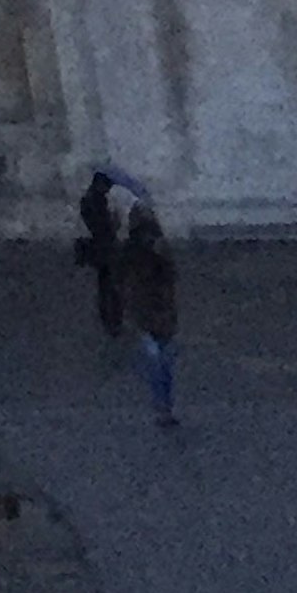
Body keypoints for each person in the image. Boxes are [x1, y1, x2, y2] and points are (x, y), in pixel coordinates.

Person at [120, 204, 180, 425]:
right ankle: (164, 407)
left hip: (150, 314)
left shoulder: (136, 250)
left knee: (159, 363)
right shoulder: (144, 250)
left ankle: (163, 406)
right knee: (161, 364)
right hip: (157, 314)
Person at [74, 167, 127, 341]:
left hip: (101, 249)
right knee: (112, 287)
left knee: (107, 287)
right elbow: (104, 228)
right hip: (106, 249)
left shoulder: (90, 201)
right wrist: (115, 222)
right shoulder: (97, 202)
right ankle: (114, 321)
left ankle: (111, 321)